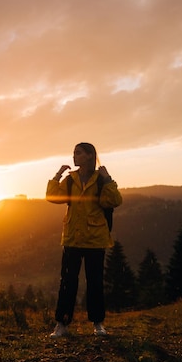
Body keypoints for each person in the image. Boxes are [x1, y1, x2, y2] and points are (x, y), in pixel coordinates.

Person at [45, 142, 122, 338]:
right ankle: (61, 324)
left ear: (89, 156)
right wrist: (57, 175)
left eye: (78, 153)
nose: (74, 157)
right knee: (67, 282)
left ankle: (98, 324)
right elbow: (52, 196)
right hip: (72, 238)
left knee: (95, 282)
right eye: (74, 153)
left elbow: (113, 201)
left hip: (95, 239)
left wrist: (108, 179)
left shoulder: (99, 180)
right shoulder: (71, 180)